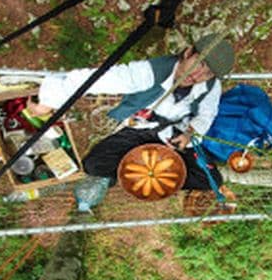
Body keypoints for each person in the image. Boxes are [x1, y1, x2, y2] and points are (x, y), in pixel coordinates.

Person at [27, 33, 235, 195]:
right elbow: (97, 79)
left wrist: (189, 134)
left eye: (207, 73)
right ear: (189, 52)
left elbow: (206, 114)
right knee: (94, 164)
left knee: (211, 180)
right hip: (139, 130)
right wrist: (48, 101)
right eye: (199, 64)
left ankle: (164, 177)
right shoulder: (148, 73)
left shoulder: (210, 86)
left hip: (173, 136)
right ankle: (137, 169)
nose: (198, 75)